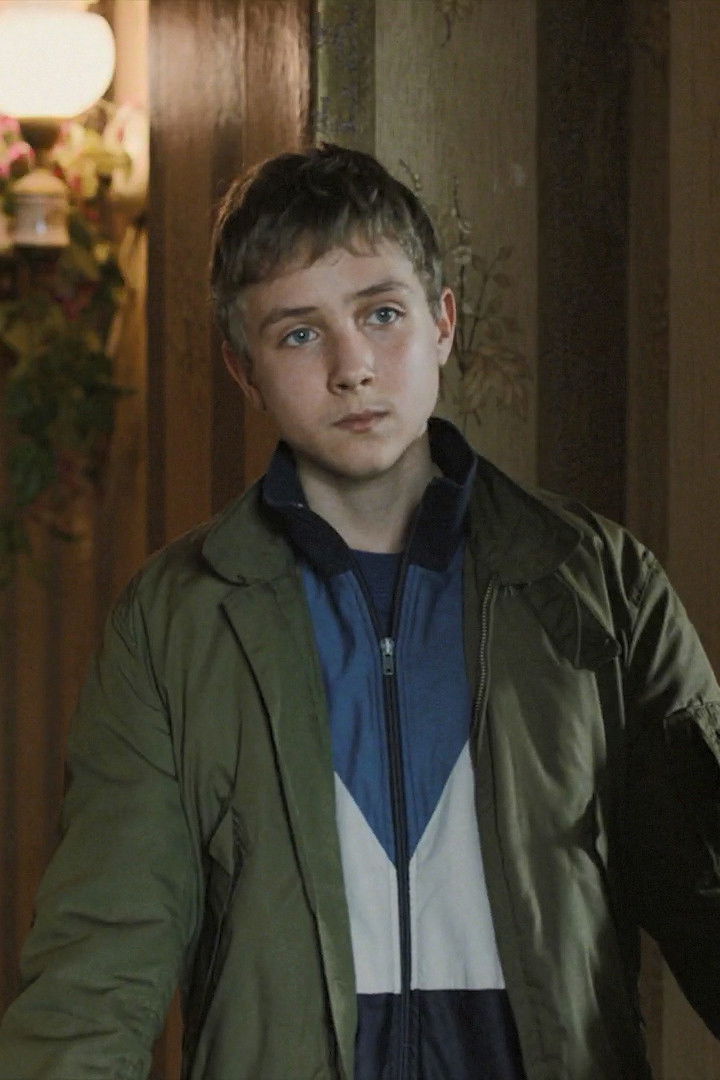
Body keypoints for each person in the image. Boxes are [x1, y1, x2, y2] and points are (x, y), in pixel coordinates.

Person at [1, 143, 719, 1080]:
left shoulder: (603, 586)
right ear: (244, 370)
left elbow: (708, 889)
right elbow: (97, 973)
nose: (353, 368)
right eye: (299, 334)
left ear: (443, 323)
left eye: (382, 315)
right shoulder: (176, 622)